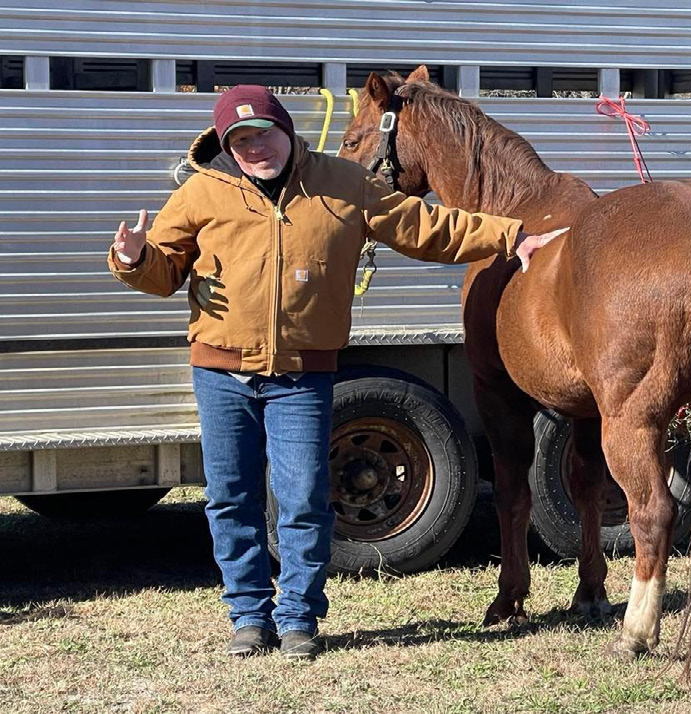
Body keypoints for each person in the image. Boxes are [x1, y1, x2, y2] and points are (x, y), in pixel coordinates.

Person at [107, 85, 565, 661]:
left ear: (286, 131)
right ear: (227, 145)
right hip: (221, 373)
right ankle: (248, 617)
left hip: (303, 373)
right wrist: (131, 259)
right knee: (231, 498)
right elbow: (164, 271)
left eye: (264, 134)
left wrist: (510, 235)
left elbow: (423, 226)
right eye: (241, 140)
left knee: (303, 497)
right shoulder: (204, 191)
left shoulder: (342, 183)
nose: (256, 148)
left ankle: (298, 618)